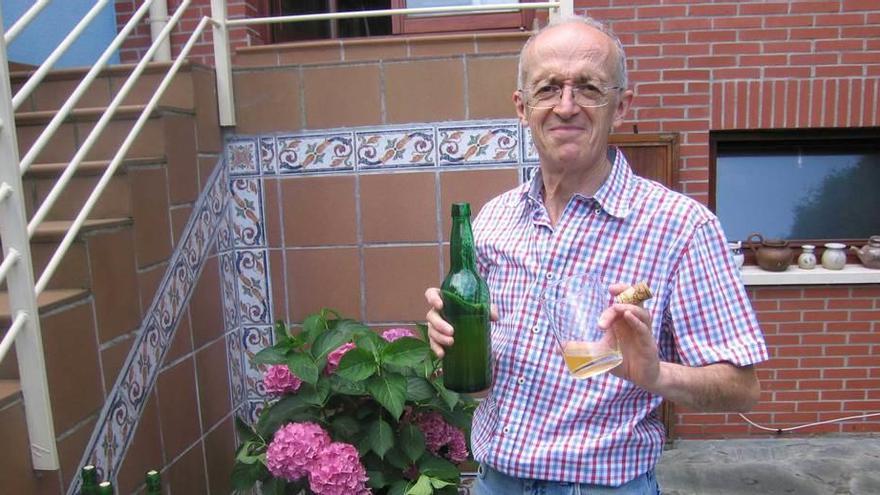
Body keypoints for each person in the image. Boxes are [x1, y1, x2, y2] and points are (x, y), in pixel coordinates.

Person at [424, 14, 769, 495]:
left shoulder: (681, 227)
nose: (566, 106)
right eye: (547, 89)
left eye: (588, 87)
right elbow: (482, 385)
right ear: (522, 108)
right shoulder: (492, 223)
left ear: (621, 106)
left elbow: (742, 387)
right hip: (495, 483)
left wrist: (655, 374)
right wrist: (450, 343)